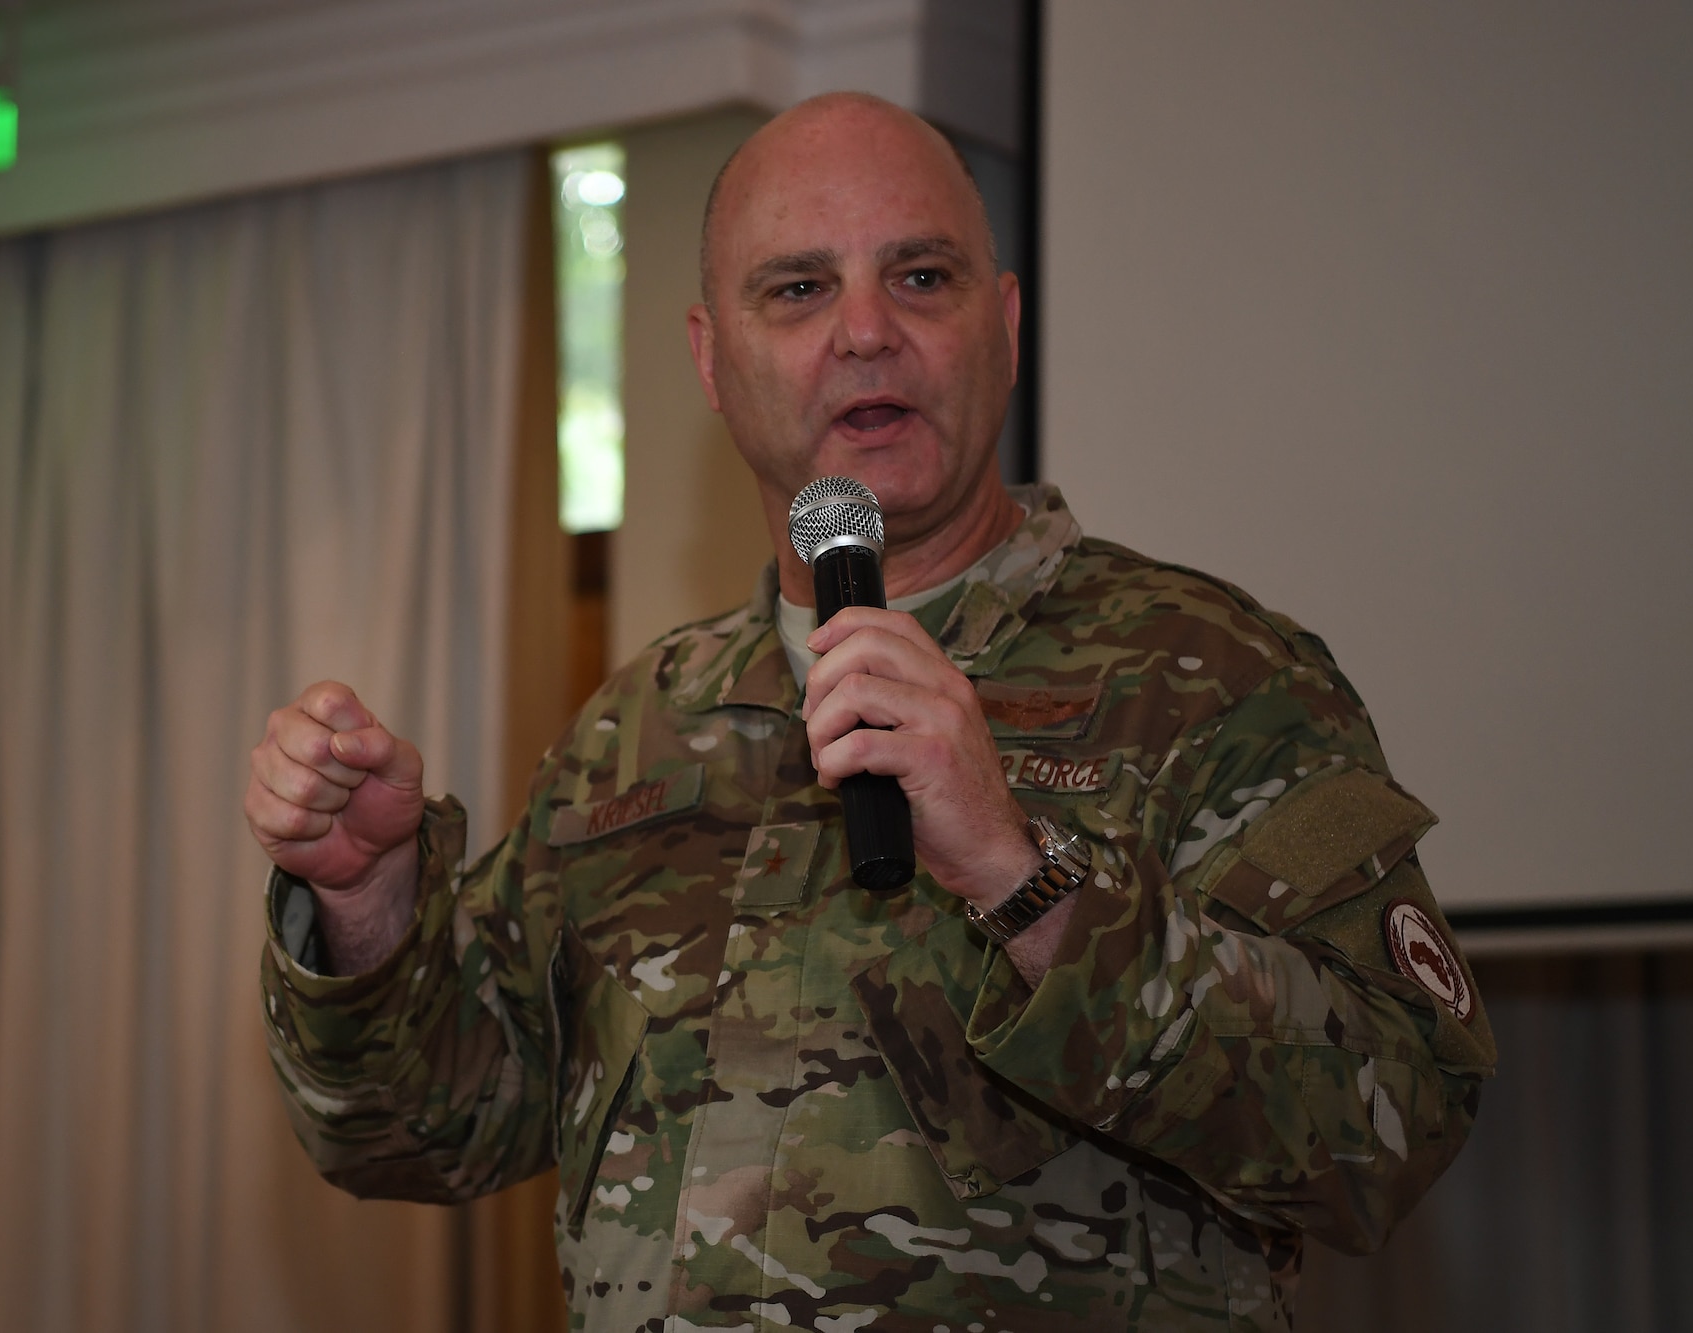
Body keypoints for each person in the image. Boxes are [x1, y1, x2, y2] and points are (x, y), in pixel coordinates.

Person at [245, 92, 1496, 1332]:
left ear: (1000, 324)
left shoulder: (1213, 675)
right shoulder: (636, 728)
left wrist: (1024, 876)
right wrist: (365, 910)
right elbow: (424, 1132)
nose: (863, 333)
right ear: (709, 360)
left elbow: (1391, 1126)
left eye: (920, 277)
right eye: (796, 289)